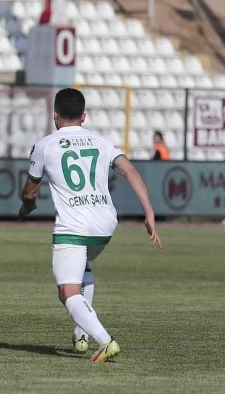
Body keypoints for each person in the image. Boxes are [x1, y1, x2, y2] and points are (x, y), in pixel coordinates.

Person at [19, 88, 162, 363]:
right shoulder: (101, 141)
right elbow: (130, 171)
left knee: (67, 291)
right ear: (83, 116)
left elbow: (29, 192)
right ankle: (81, 334)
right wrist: (149, 213)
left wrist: (26, 207)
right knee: (84, 268)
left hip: (73, 226)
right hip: (105, 224)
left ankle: (106, 341)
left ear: (54, 115)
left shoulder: (45, 145)